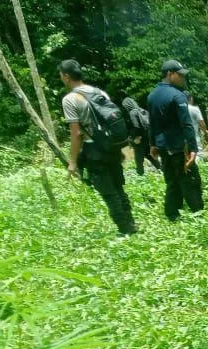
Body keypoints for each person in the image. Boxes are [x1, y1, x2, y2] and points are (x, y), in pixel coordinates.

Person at [59, 59, 137, 236]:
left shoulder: (70, 99)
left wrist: (72, 162)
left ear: (66, 76)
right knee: (118, 188)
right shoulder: (98, 92)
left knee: (109, 193)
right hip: (112, 147)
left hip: (94, 151)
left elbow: (77, 133)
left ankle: (126, 231)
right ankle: (131, 224)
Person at [147, 59, 203, 221]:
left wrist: (152, 144)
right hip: (180, 148)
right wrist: (193, 149)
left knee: (172, 181)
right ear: (170, 74)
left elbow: (152, 123)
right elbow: (186, 125)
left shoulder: (152, 96)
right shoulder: (177, 96)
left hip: (163, 147)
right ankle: (198, 215)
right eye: (180, 75)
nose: (183, 79)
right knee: (190, 180)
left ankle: (172, 215)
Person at [122, 96, 160, 175]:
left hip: (139, 140)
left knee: (138, 159)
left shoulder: (132, 112)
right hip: (147, 138)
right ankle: (160, 169)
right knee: (149, 155)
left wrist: (134, 137)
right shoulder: (143, 110)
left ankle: (140, 175)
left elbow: (136, 126)